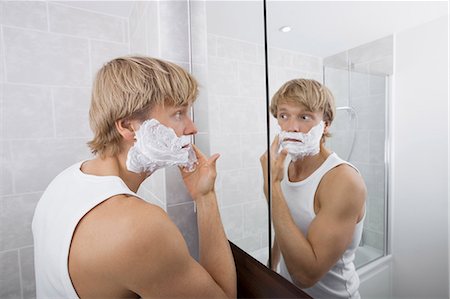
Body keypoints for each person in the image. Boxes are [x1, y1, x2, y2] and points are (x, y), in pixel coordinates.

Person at [32, 56, 236, 298]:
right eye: (179, 113)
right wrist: (206, 197)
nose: (192, 128)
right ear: (128, 127)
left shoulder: (65, 180)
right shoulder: (138, 227)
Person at [260, 79, 366, 299]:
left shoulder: (343, 181)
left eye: (304, 116)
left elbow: (306, 277)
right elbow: (285, 222)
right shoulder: (284, 165)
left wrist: (272, 187)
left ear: (325, 124)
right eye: (283, 115)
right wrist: (272, 265)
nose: (292, 127)